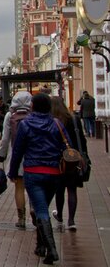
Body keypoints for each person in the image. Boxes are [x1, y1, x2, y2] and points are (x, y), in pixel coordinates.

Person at [8, 92, 66, 264]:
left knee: (40, 210)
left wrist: (12, 172)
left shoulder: (25, 125)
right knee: (43, 208)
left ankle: (52, 250)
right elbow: (66, 146)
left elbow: (18, 151)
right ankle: (41, 246)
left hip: (33, 173)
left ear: (33, 106)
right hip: (54, 173)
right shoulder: (57, 124)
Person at [51, 96, 88, 231]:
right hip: (73, 158)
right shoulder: (74, 119)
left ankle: (60, 215)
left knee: (59, 190)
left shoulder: (52, 121)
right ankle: (71, 220)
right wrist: (83, 155)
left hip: (58, 160)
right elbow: (82, 139)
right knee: (72, 189)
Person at [0, 91, 33, 230]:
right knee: (33, 187)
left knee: (19, 187)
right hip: (33, 157)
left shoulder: (10, 116)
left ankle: (21, 218)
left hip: (16, 157)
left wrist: (1, 155)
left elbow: (5, 139)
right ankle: (34, 211)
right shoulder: (33, 115)